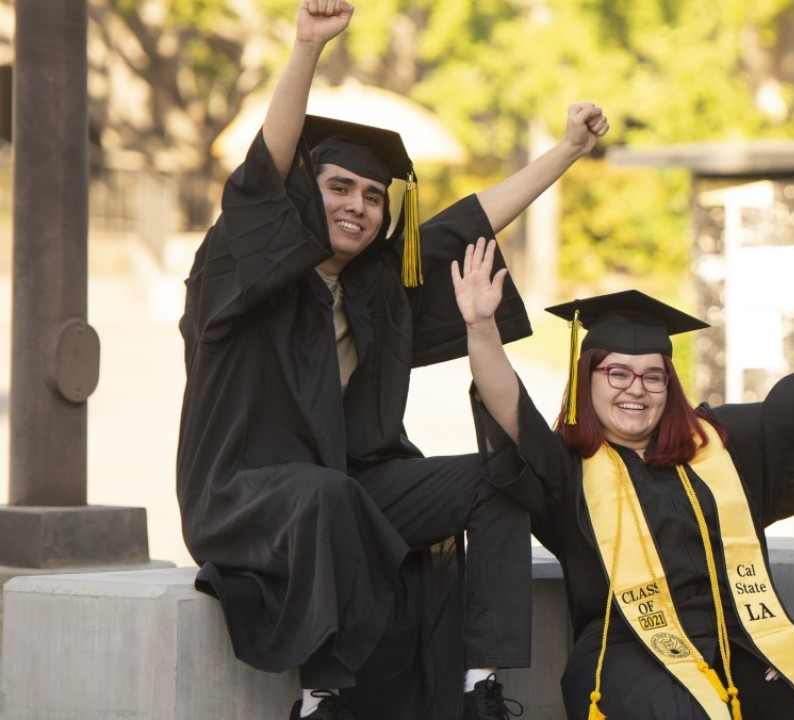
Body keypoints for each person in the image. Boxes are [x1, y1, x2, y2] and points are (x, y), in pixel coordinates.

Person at [175, 2, 610, 718]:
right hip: (245, 497)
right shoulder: (241, 275)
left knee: (495, 480)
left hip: (348, 489)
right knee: (327, 494)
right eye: (338, 187)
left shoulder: (377, 289)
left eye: (374, 196)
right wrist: (308, 48)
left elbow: (468, 223)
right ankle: (325, 695)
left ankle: (481, 689)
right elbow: (260, 179)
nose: (358, 206)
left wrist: (566, 151)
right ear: (301, 198)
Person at [454, 239, 794, 720]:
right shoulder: (566, 465)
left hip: (737, 638)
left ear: (669, 385)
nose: (635, 390)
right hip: (626, 653)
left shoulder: (715, 445)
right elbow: (510, 409)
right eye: (617, 373)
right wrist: (481, 328)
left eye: (653, 377)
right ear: (587, 379)